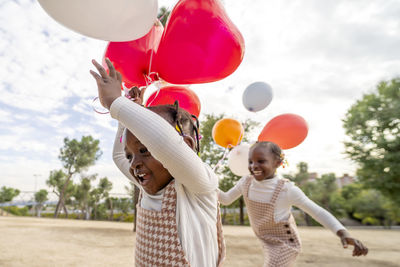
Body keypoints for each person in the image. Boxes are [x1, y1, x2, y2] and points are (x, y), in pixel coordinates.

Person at [90, 58, 225, 267]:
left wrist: (117, 104)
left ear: (187, 148)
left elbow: (165, 143)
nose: (134, 163)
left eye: (144, 150)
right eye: (131, 155)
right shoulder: (147, 187)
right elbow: (119, 156)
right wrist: (124, 121)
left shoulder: (199, 186)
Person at [218, 141, 368, 267]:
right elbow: (225, 199)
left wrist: (343, 233)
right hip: (265, 238)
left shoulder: (287, 190)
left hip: (285, 243)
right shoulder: (246, 182)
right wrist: (205, 183)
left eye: (261, 161)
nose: (254, 166)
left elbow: (317, 212)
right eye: (251, 161)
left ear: (278, 163)